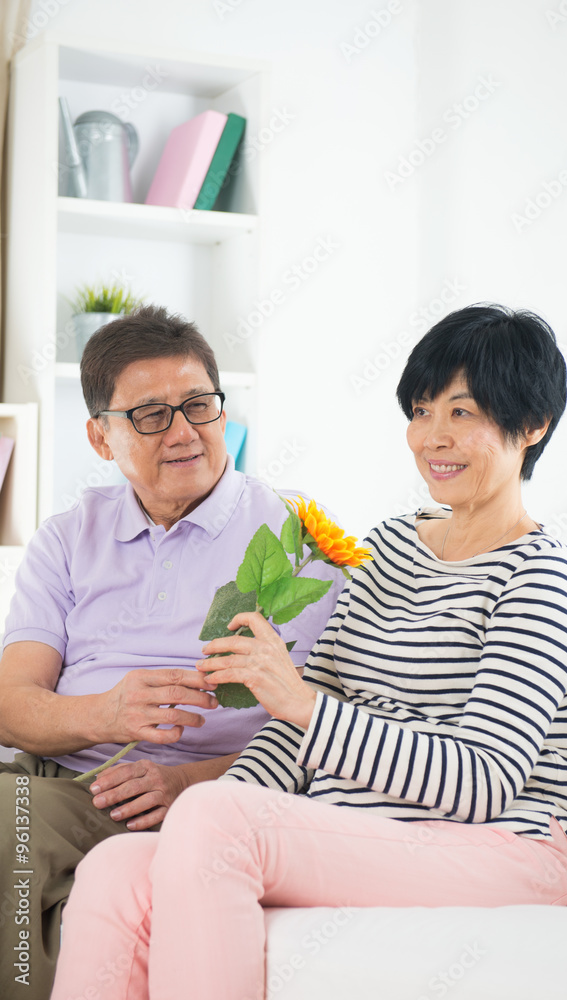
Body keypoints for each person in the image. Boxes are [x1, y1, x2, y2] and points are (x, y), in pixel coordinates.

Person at [51, 303, 567, 1000]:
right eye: (422, 410)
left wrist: (303, 708)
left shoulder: (540, 578)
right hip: (364, 826)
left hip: (507, 844)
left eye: (463, 413)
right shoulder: (395, 544)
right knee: (117, 868)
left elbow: (483, 779)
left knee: (215, 816)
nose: (433, 437)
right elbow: (297, 729)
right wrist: (218, 807)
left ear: (533, 425)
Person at [0, 305, 342, 1000]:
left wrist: (186, 783)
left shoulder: (298, 537)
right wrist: (106, 714)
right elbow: (11, 705)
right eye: (151, 415)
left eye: (199, 405)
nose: (184, 432)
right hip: (60, 777)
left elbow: (322, 725)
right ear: (101, 437)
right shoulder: (69, 536)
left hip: (208, 793)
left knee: (12, 831)